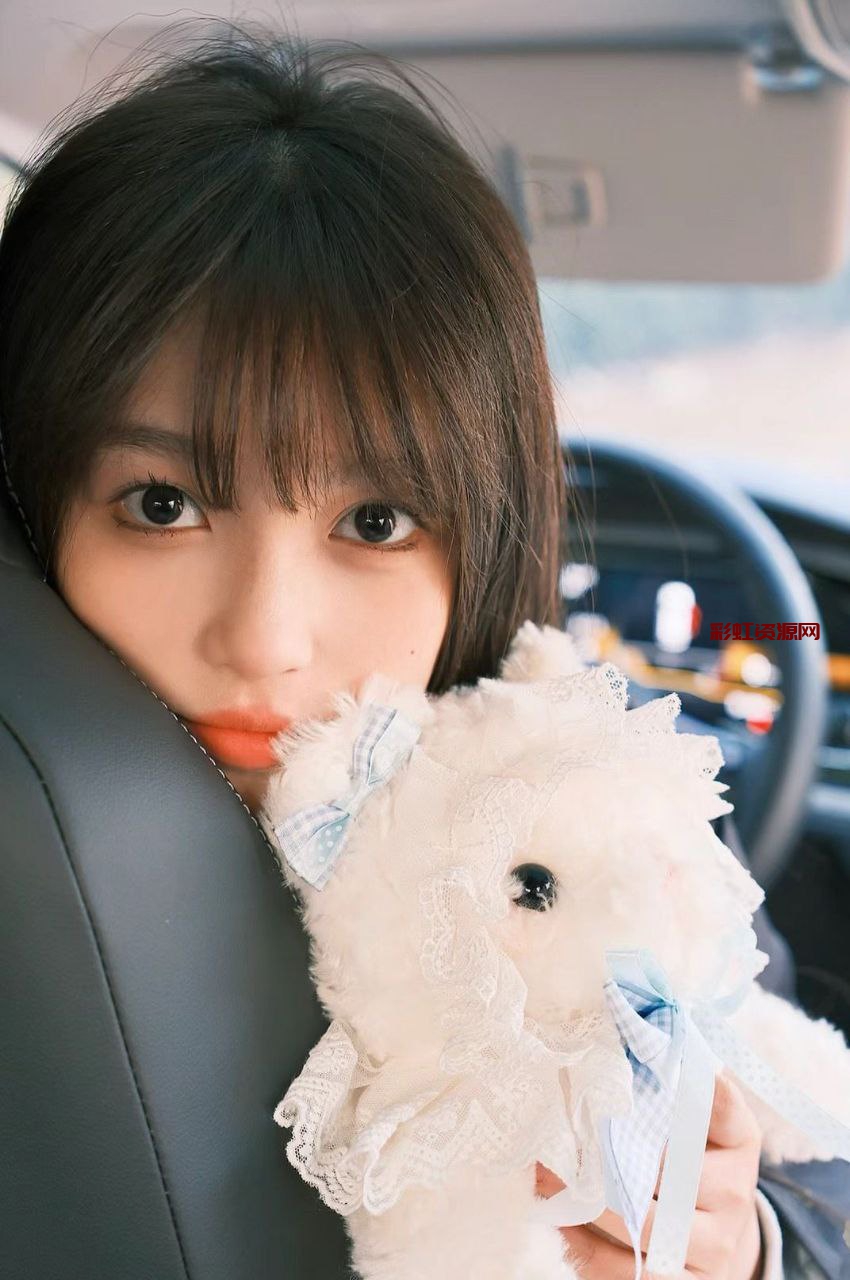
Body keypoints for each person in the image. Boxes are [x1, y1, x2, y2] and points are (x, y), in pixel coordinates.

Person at [0, 22, 846, 1279]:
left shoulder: (572, 799)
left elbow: (810, 1153)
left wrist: (750, 1239)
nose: (265, 638)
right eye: (163, 504)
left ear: (483, 534)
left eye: (375, 521)